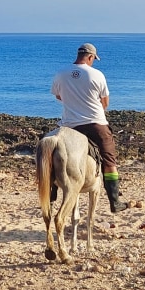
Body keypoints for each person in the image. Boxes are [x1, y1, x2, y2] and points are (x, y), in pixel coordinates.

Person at [51, 43, 128, 213]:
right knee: (109, 159)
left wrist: (73, 101)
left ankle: (51, 190)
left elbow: (58, 95)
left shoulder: (61, 73)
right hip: (95, 124)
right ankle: (114, 201)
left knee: (49, 151)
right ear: (91, 57)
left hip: (69, 125)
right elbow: (105, 103)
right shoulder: (97, 75)